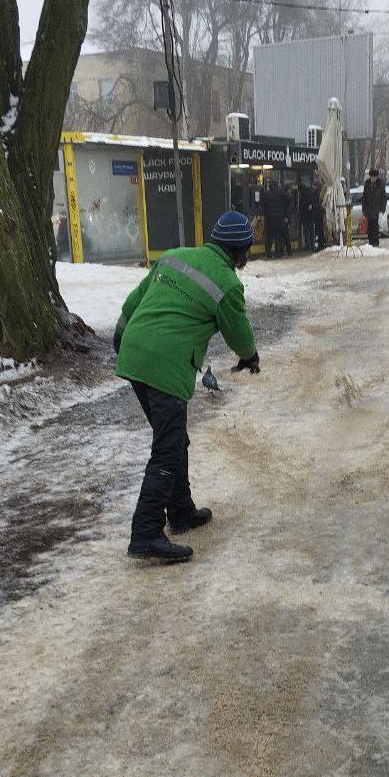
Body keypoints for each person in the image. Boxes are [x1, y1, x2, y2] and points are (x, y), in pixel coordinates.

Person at [114, 210, 260, 563]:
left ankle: (180, 511)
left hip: (134, 351)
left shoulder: (175, 257)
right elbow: (238, 332)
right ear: (240, 251)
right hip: (166, 365)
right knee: (167, 446)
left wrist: (122, 339)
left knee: (174, 437)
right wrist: (250, 356)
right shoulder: (227, 282)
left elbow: (133, 303)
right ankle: (146, 532)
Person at [263, 180, 289, 258]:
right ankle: (278, 253)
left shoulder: (267, 194)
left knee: (269, 236)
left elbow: (263, 205)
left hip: (270, 218)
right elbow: (289, 200)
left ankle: (268, 253)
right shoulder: (281, 194)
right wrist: (285, 212)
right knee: (279, 236)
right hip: (280, 218)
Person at [361, 169, 386, 248]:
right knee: (369, 228)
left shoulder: (380, 184)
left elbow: (383, 198)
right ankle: (370, 243)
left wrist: (382, 210)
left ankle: (375, 243)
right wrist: (364, 209)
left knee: (375, 227)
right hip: (368, 210)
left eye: (375, 177)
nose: (373, 178)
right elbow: (364, 197)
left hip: (376, 209)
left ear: (377, 177)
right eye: (372, 177)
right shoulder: (367, 184)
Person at [299, 181, 318, 251]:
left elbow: (302, 206)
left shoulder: (303, 195)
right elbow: (315, 203)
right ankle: (312, 246)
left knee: (307, 232)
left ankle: (308, 246)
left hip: (305, 216)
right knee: (312, 231)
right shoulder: (311, 193)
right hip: (311, 216)